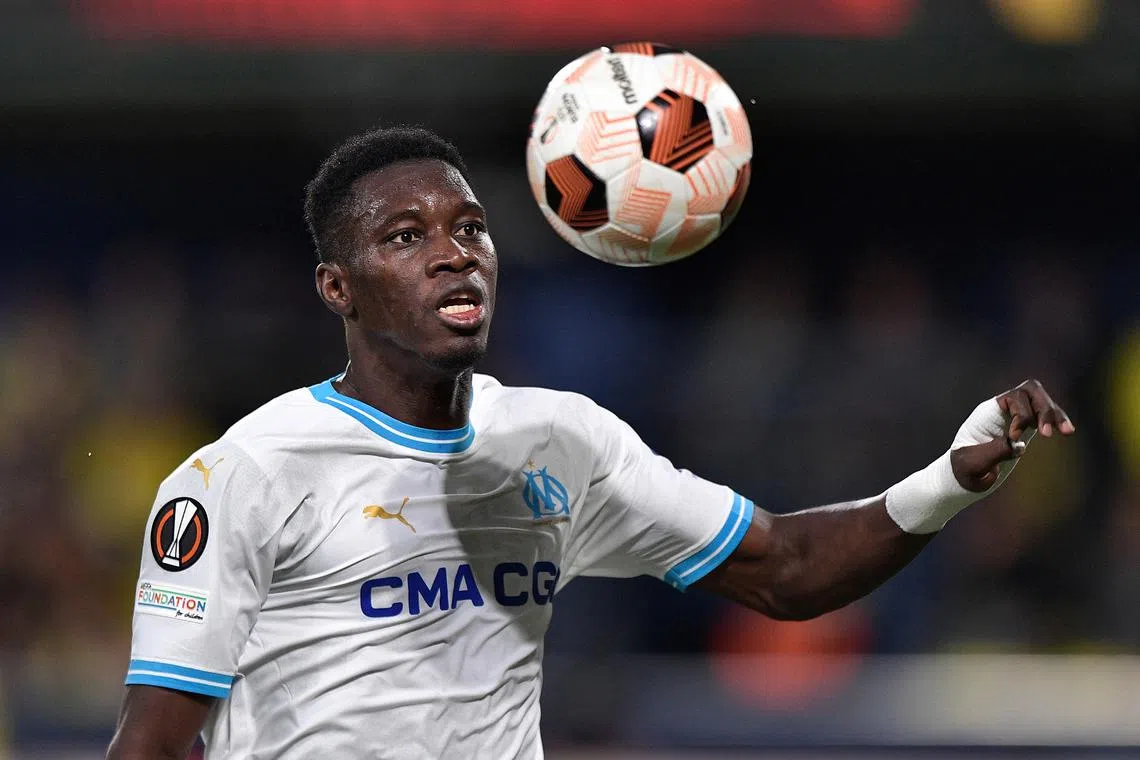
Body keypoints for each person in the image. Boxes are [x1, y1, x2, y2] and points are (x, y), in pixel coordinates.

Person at [106, 127, 1075, 760]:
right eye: (405, 236)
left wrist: (947, 478)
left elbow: (786, 569)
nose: (454, 252)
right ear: (337, 288)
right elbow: (151, 746)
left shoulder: (557, 441)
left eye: (471, 227)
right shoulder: (242, 476)